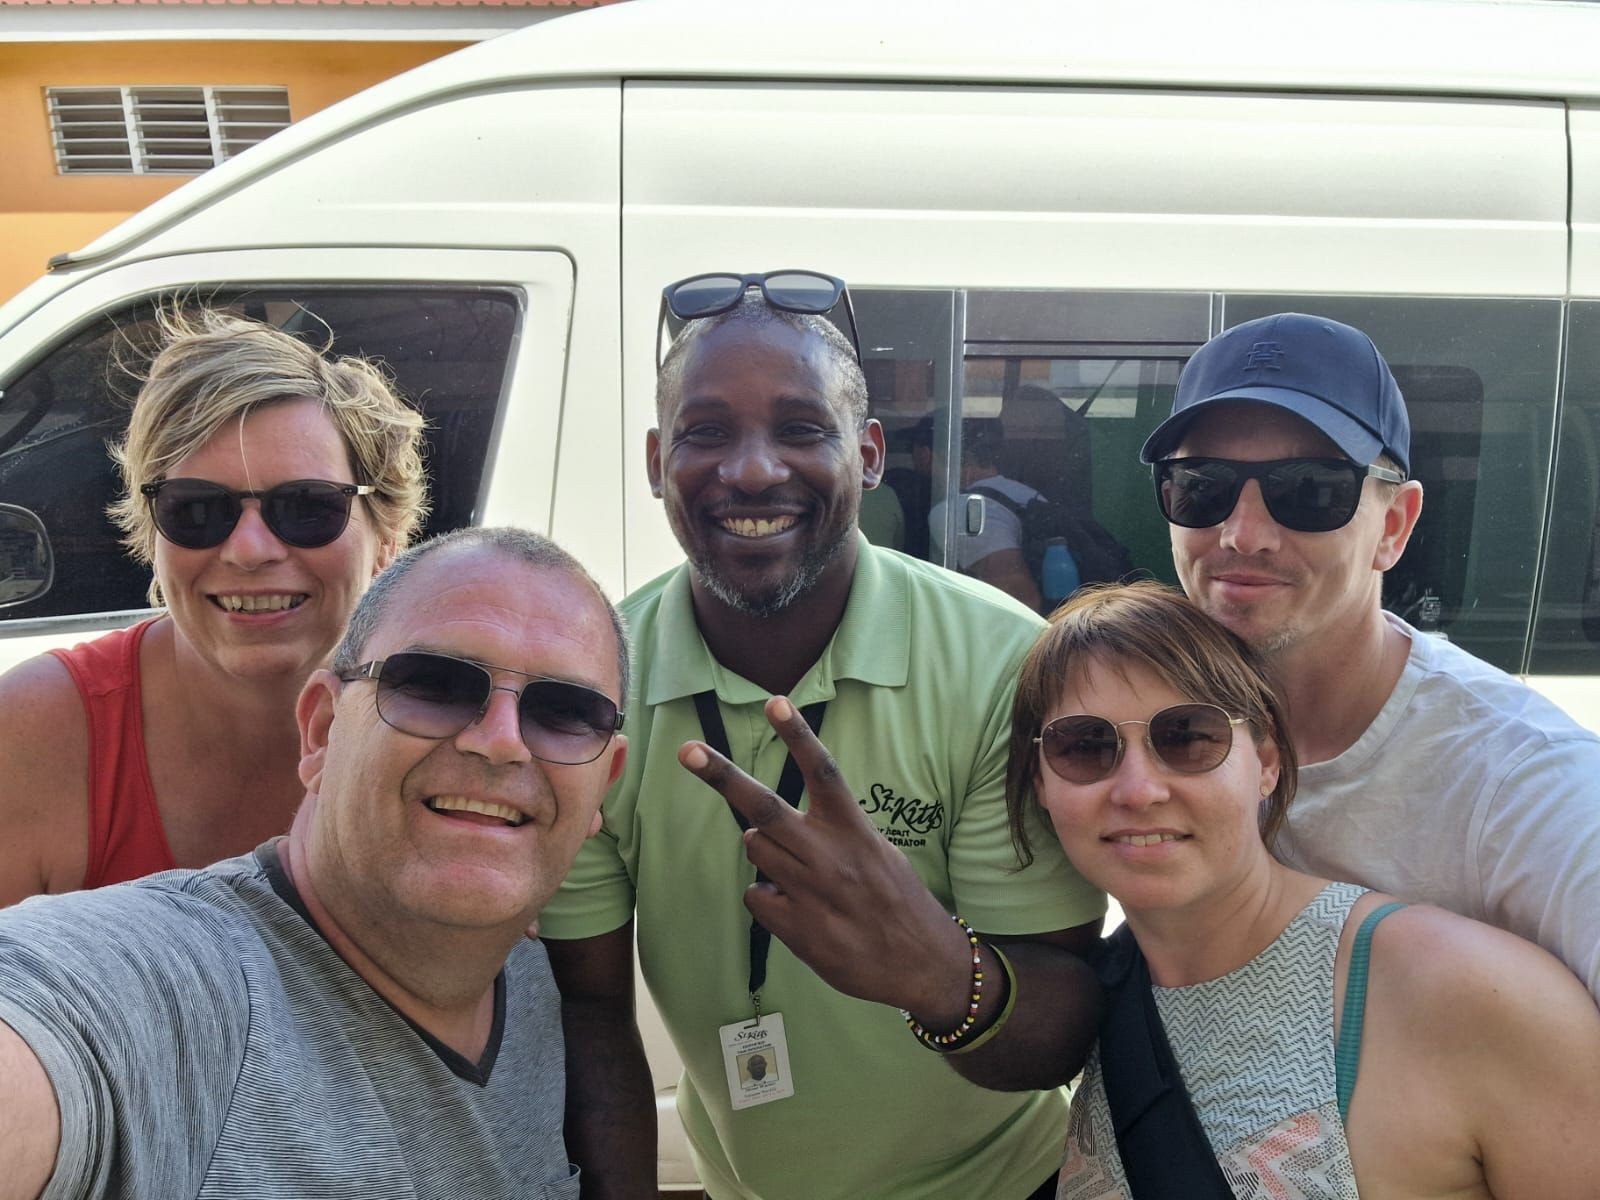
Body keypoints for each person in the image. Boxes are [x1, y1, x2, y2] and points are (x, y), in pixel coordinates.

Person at [541, 274, 1106, 1200]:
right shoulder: (597, 679)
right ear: (655, 462)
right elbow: (592, 1013)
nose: (752, 470)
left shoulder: (1004, 664)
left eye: (803, 428)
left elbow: (1066, 1026)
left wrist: (937, 972)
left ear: (871, 453)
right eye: (706, 432)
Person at [0, 526, 630, 1199]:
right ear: (323, 729)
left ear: (604, 785)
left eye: (564, 711)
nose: (502, 743)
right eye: (435, 683)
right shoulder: (177, 988)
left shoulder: (528, 974)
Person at [1004, 581, 1600, 1200]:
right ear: (1040, 781)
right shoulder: (1078, 1008)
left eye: (1187, 737)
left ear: (1266, 760)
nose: (1138, 790)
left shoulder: (1473, 997)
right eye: (1085, 746)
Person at [1141, 311, 1600, 1001]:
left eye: (1311, 490)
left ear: (1394, 525)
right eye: (1202, 484)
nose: (1243, 534)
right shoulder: (1132, 725)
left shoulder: (1515, 780)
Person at [0, 307, 429, 905]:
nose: (250, 550)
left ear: (385, 539)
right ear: (151, 533)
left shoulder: (458, 722)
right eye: (196, 509)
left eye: (307, 506)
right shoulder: (33, 733)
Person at [929, 417, 1046, 610]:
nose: (931, 473)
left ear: (957, 460)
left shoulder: (958, 510)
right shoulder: (1027, 494)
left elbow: (1020, 594)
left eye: (934, 461)